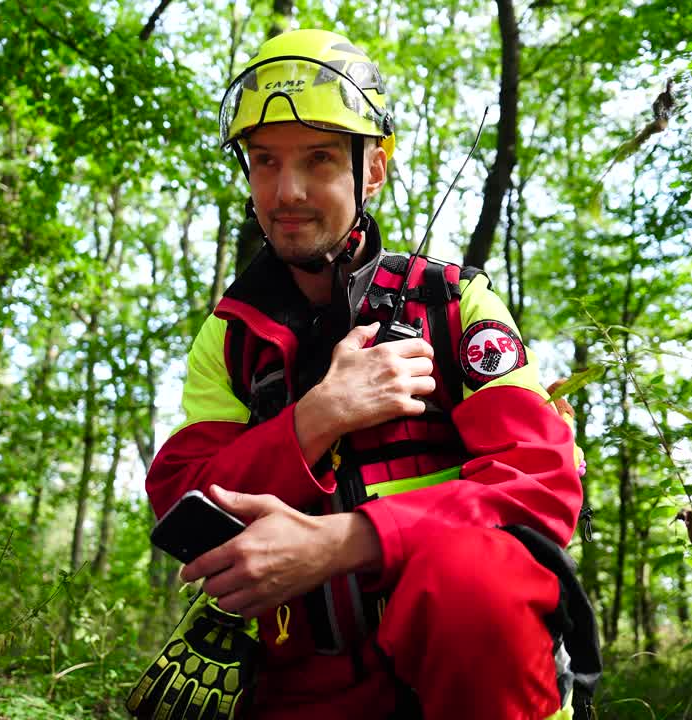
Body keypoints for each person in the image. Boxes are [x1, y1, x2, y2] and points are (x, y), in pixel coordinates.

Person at [142, 28, 587, 720]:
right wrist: (319, 416)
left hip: (471, 675)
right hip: (302, 684)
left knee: (476, 582)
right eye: (264, 161)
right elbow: (183, 507)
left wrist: (344, 542)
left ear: (372, 170)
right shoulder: (230, 337)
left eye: (318, 159)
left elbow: (539, 486)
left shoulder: (454, 304)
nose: (286, 192)